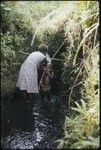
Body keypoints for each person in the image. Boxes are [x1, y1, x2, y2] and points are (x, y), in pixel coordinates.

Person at [16, 44, 49, 110]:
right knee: (33, 89)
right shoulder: (43, 57)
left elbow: (36, 63)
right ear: (45, 51)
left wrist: (42, 67)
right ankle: (31, 106)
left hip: (24, 68)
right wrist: (45, 67)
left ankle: (27, 101)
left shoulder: (33, 53)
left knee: (25, 85)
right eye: (46, 52)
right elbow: (40, 68)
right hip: (31, 70)